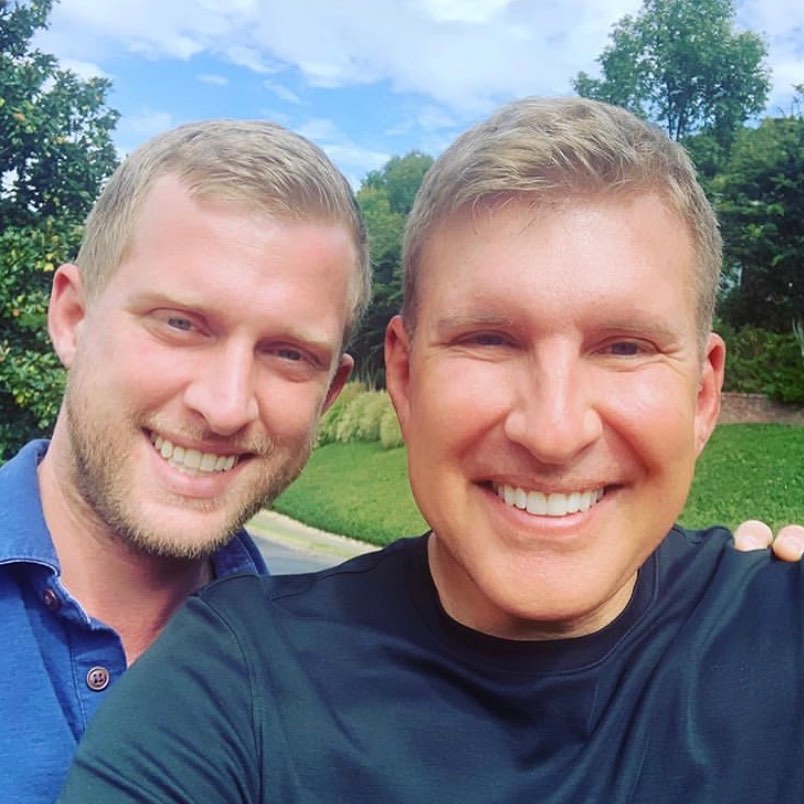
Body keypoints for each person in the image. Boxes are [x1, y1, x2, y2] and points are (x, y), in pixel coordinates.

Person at [60, 98, 804, 803]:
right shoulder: (230, 679)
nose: (553, 431)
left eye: (624, 347)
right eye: (489, 339)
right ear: (406, 376)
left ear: (703, 396)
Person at [0, 119, 370, 803]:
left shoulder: (347, 685)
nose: (226, 406)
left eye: (289, 354)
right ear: (74, 319)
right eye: (180, 324)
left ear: (329, 394)